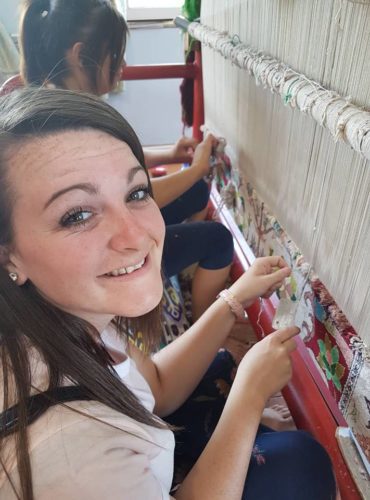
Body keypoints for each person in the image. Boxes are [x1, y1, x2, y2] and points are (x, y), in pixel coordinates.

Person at [0, 88, 336, 499]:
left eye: (137, 193)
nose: (136, 235)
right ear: (8, 256)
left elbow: (154, 387)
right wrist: (249, 395)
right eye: (78, 215)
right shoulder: (71, 453)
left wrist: (232, 301)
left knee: (278, 437)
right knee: (300, 463)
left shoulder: (67, 318)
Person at [19, 0, 234, 320]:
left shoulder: (57, 103)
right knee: (218, 239)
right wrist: (197, 169)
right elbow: (127, 195)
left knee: (198, 192)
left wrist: (171, 154)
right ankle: (202, 324)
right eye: (115, 56)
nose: (122, 66)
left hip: (99, 229)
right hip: (102, 257)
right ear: (79, 56)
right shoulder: (67, 126)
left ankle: (177, 278)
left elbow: (115, 165)